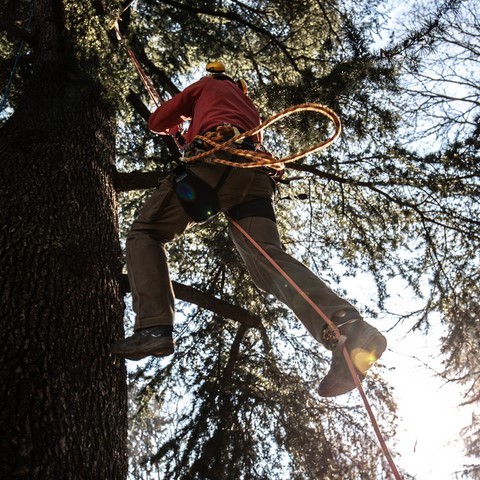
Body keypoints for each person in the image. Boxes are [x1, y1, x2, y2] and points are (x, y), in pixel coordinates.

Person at [111, 61, 387, 397]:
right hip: (255, 175)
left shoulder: (205, 86)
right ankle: (348, 328)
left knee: (146, 233)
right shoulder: (246, 107)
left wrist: (179, 124)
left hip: (218, 159)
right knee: (267, 262)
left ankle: (153, 325)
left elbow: (157, 121)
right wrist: (187, 132)